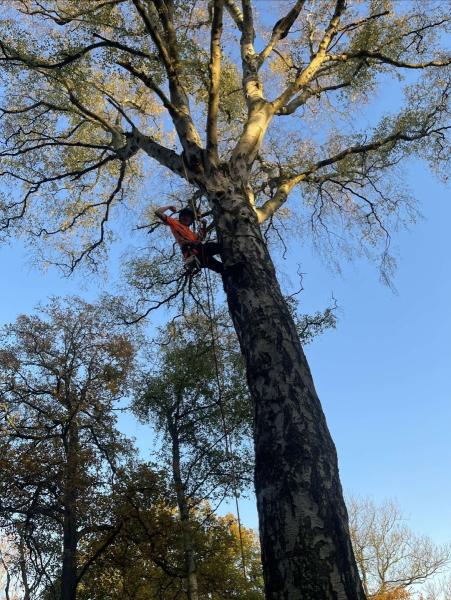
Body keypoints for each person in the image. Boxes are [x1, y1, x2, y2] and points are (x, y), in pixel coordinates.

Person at [155, 204, 224, 274]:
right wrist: (169, 207)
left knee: (221, 267)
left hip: (198, 253)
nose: (186, 218)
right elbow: (158, 212)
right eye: (184, 216)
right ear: (180, 217)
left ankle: (231, 270)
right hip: (192, 252)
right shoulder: (175, 223)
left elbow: (201, 238)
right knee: (218, 247)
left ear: (191, 220)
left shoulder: (191, 234)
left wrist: (204, 225)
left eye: (189, 217)